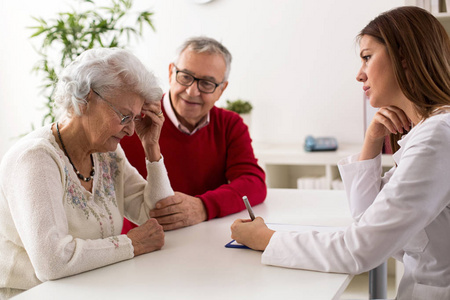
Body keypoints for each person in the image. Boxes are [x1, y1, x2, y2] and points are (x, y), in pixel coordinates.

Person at [230, 6, 450, 300]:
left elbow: (360, 249)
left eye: (367, 57)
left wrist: (266, 239)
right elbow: (368, 218)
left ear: (404, 57)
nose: (360, 75)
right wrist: (372, 140)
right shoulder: (430, 132)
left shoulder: (437, 137)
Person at [0, 48, 174, 299]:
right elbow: (52, 262)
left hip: (90, 289)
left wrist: (152, 148)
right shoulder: (36, 158)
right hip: (31, 294)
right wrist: (131, 243)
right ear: (85, 98)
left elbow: (161, 215)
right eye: (125, 116)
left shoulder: (108, 153)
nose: (130, 131)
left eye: (134, 118)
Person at [120, 37, 267, 232]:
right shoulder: (132, 120)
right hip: (140, 242)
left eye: (206, 83)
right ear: (171, 72)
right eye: (185, 77)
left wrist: (203, 207)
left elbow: (253, 182)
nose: (191, 91)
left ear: (221, 89)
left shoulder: (230, 125)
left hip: (205, 238)